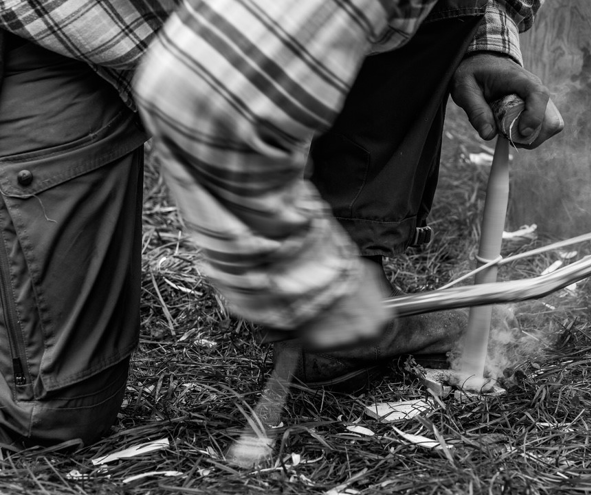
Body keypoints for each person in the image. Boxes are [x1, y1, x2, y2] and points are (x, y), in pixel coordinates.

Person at [0, 0, 561, 447]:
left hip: (238, 36)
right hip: (73, 30)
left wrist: (482, 44)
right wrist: (305, 280)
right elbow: (198, 101)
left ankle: (350, 284)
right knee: (50, 416)